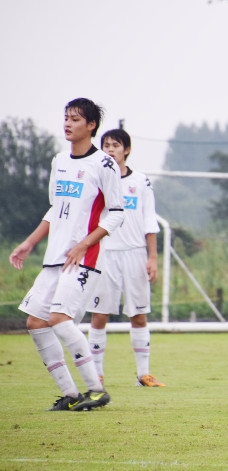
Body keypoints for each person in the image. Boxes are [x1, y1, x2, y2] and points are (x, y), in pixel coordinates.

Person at [9, 98, 124, 411]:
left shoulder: (104, 164)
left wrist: (84, 243)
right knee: (35, 322)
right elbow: (55, 209)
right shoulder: (59, 161)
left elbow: (116, 213)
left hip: (84, 258)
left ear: (91, 126)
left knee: (59, 318)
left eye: (75, 119)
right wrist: (29, 242)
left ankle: (96, 389)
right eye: (66, 118)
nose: (68, 123)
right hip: (54, 258)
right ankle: (71, 394)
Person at [85, 128, 165, 387]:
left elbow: (149, 221)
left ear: (126, 150)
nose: (110, 149)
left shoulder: (141, 181)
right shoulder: (97, 179)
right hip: (104, 254)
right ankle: (96, 374)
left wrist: (152, 258)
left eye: (115, 145)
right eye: (106, 144)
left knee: (139, 315)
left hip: (135, 255)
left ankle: (144, 374)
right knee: (99, 314)